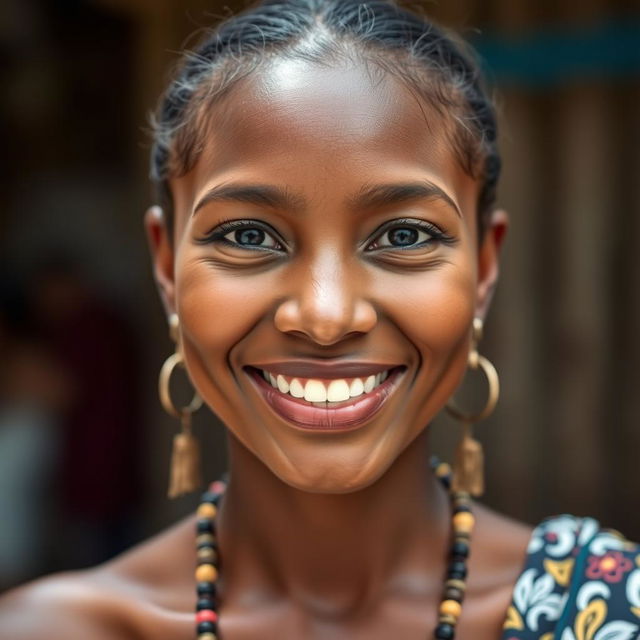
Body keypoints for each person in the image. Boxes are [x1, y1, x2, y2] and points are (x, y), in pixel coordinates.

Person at [1, 1, 639, 638]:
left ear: (484, 266)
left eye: (405, 234)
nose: (326, 317)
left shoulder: (612, 611)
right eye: (249, 234)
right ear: (167, 267)